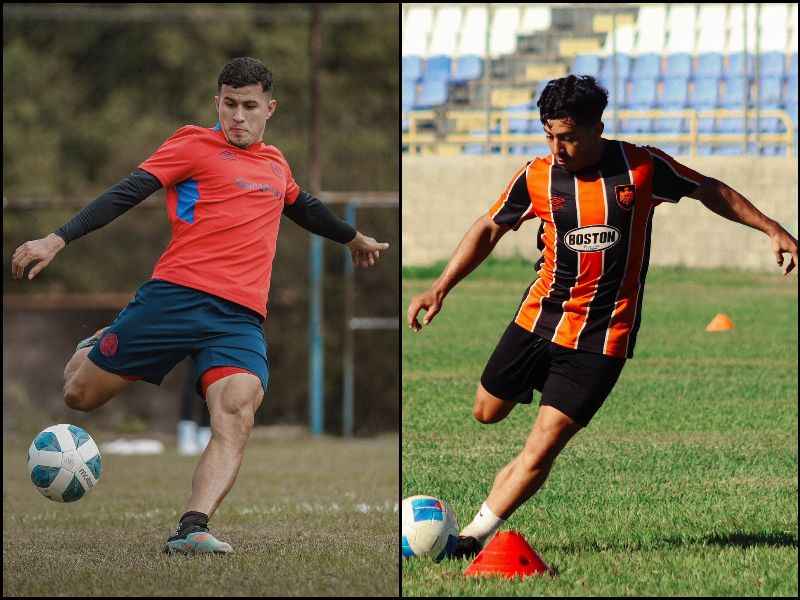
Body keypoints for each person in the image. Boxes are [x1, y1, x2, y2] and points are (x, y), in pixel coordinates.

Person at [406, 74, 797, 559]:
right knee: (486, 412)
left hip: (603, 337)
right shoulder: (537, 175)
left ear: (597, 128)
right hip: (538, 319)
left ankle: (471, 537)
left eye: (567, 137)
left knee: (543, 445)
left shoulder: (641, 166)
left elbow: (708, 189)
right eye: (549, 135)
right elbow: (491, 227)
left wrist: (771, 228)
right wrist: (440, 286)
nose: (557, 148)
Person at [11, 57, 389, 555]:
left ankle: (191, 528)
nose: (237, 115)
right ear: (217, 102)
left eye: (249, 106)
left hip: (238, 318)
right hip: (174, 297)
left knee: (237, 408)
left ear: (269, 109)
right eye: (229, 104)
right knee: (79, 396)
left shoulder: (276, 165)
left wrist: (354, 237)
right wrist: (59, 238)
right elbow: (126, 192)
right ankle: (100, 341)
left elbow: (305, 208)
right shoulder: (192, 144)